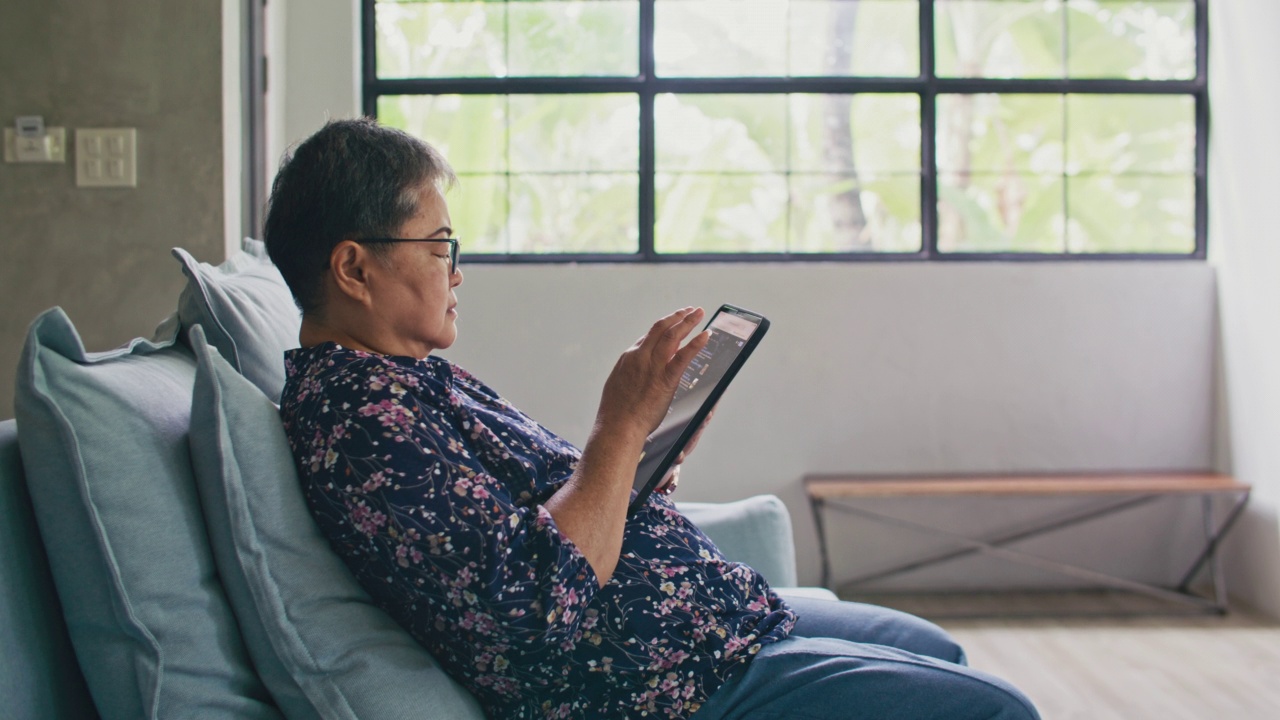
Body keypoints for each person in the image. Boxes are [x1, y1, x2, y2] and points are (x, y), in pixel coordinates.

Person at [265, 118, 1040, 720]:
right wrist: (618, 428)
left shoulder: (406, 380)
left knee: (936, 648)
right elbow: (530, 615)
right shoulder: (361, 424)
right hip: (664, 686)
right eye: (439, 247)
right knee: (1000, 711)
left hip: (710, 625)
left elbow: (547, 518)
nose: (457, 271)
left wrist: (645, 459)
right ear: (354, 268)